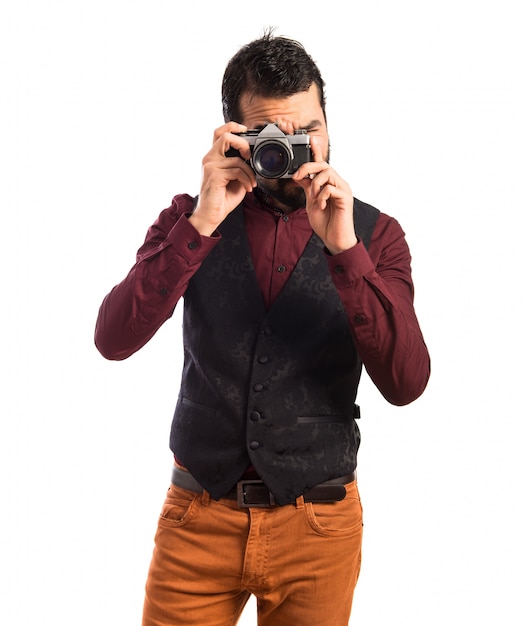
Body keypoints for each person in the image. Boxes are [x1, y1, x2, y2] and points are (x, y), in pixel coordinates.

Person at [95, 30, 430, 626]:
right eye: (275, 136)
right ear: (236, 137)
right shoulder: (187, 218)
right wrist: (199, 225)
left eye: (311, 129)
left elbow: (407, 382)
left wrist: (347, 252)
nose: (300, 149)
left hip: (319, 526)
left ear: (328, 121)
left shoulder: (378, 236)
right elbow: (113, 339)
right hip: (197, 517)